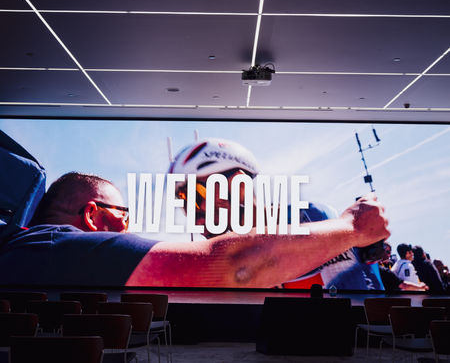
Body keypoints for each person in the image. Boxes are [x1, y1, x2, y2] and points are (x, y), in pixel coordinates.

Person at [0, 170, 389, 288]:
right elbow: (236, 266)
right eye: (123, 215)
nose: (128, 226)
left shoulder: (26, 257)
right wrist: (353, 226)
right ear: (92, 216)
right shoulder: (60, 249)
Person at [169, 138, 389, 290]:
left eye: (196, 195)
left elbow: (360, 308)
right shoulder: (217, 254)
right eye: (183, 200)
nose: (193, 215)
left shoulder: (310, 218)